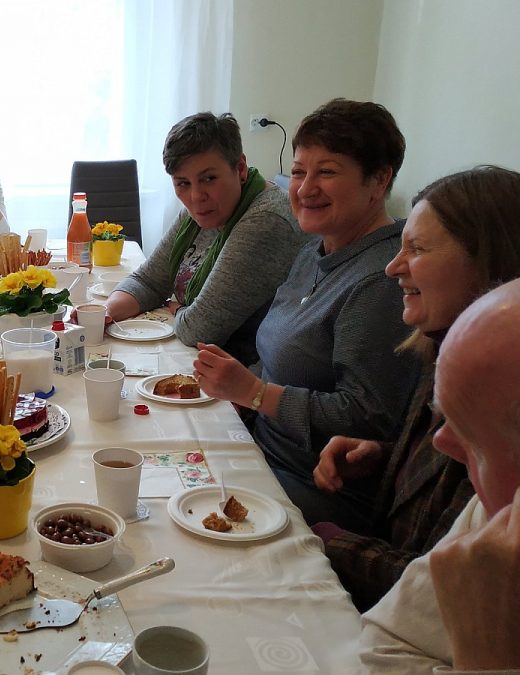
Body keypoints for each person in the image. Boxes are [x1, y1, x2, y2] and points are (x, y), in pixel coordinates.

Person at [193, 99, 420, 533]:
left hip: (312, 486)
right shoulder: (314, 252)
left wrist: (255, 393)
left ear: (379, 180)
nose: (305, 188)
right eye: (299, 172)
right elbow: (278, 356)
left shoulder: (380, 279)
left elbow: (368, 416)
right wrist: (235, 395)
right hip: (260, 448)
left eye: (328, 172)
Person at [311, 166, 520, 610]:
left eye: (417, 249)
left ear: (488, 264)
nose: (392, 267)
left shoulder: (501, 398)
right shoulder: (440, 347)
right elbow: (438, 478)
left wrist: (321, 539)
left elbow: (441, 585)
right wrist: (387, 458)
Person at [360, 278, 520, 672]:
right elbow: (385, 645)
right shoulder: (494, 513)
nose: (441, 442)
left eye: (474, 438)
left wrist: (488, 660)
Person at [105, 112, 305, 364]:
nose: (196, 196)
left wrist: (181, 310)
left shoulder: (265, 221)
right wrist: (103, 313)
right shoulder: (202, 211)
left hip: (243, 376)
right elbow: (149, 281)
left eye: (208, 179)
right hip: (201, 360)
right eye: (182, 183)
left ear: (240, 168)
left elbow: (199, 329)